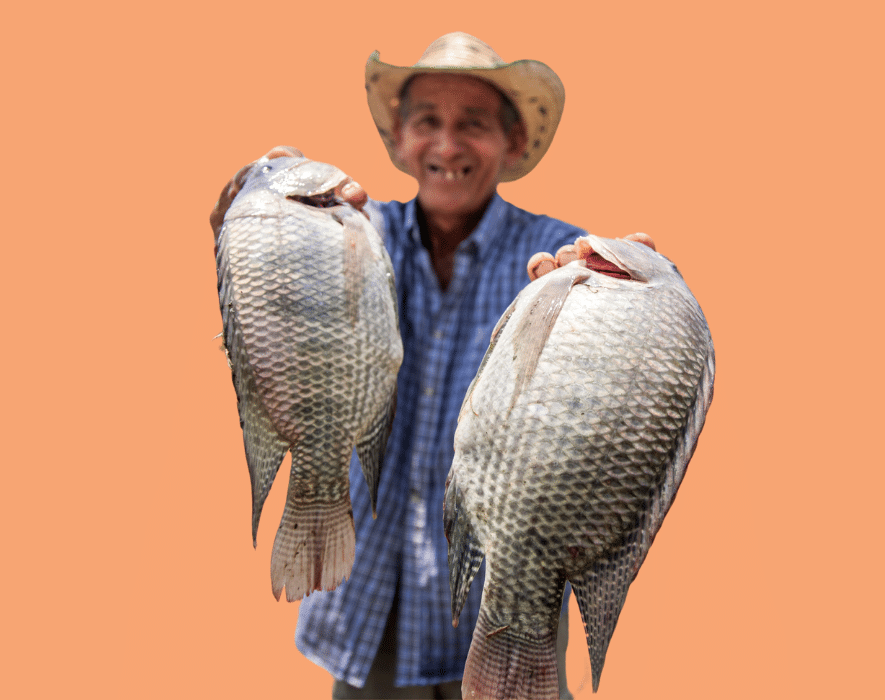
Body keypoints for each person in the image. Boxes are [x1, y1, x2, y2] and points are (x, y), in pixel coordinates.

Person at [211, 32, 660, 699]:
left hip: (504, 612)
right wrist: (248, 214)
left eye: (473, 124)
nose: (447, 146)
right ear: (399, 139)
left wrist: (623, 298)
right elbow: (266, 312)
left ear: (512, 142)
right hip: (368, 610)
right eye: (428, 121)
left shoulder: (557, 261)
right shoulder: (354, 231)